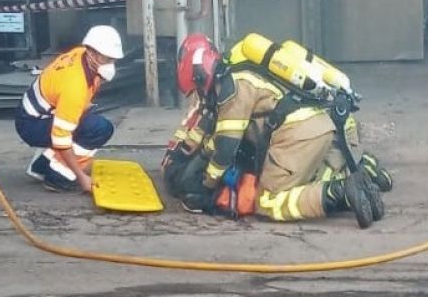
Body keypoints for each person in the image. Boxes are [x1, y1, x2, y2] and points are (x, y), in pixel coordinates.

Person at [162, 34, 391, 228]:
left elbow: (225, 149)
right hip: (326, 124)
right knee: (310, 176)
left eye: (197, 90)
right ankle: (362, 168)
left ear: (200, 77)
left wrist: (205, 186)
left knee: (269, 201)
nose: (200, 96)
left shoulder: (231, 89)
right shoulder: (244, 70)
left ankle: (339, 192)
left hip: (298, 133)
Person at [15, 25, 123, 193]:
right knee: (99, 129)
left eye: (113, 59)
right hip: (32, 124)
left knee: (82, 120)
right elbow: (61, 139)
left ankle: (41, 166)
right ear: (92, 53)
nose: (111, 64)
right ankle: (58, 178)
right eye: (107, 59)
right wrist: (81, 177)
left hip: (33, 114)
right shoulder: (75, 86)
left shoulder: (81, 54)